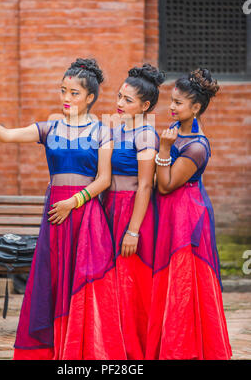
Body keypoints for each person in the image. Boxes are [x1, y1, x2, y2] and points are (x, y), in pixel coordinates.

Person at [0, 58, 126, 360]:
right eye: (63, 90)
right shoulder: (49, 128)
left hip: (85, 215)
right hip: (55, 216)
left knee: (84, 282)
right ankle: (51, 349)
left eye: (74, 93)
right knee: (51, 282)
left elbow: (104, 180)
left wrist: (73, 202)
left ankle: (84, 350)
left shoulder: (103, 132)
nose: (66, 98)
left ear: (90, 97)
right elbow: (8, 135)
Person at [145, 68, 232, 360]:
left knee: (184, 283)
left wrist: (163, 149)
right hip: (168, 215)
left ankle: (183, 349)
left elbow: (167, 185)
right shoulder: (175, 133)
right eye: (171, 100)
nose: (171, 106)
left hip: (186, 218)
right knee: (168, 279)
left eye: (179, 103)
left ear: (195, 108)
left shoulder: (196, 146)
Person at [101, 64, 165, 359]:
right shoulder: (116, 128)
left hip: (132, 211)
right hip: (111, 208)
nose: (119, 104)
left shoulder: (146, 135)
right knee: (111, 281)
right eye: (119, 96)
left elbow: (145, 186)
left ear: (146, 105)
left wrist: (133, 230)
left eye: (128, 100)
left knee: (131, 283)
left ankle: (133, 352)